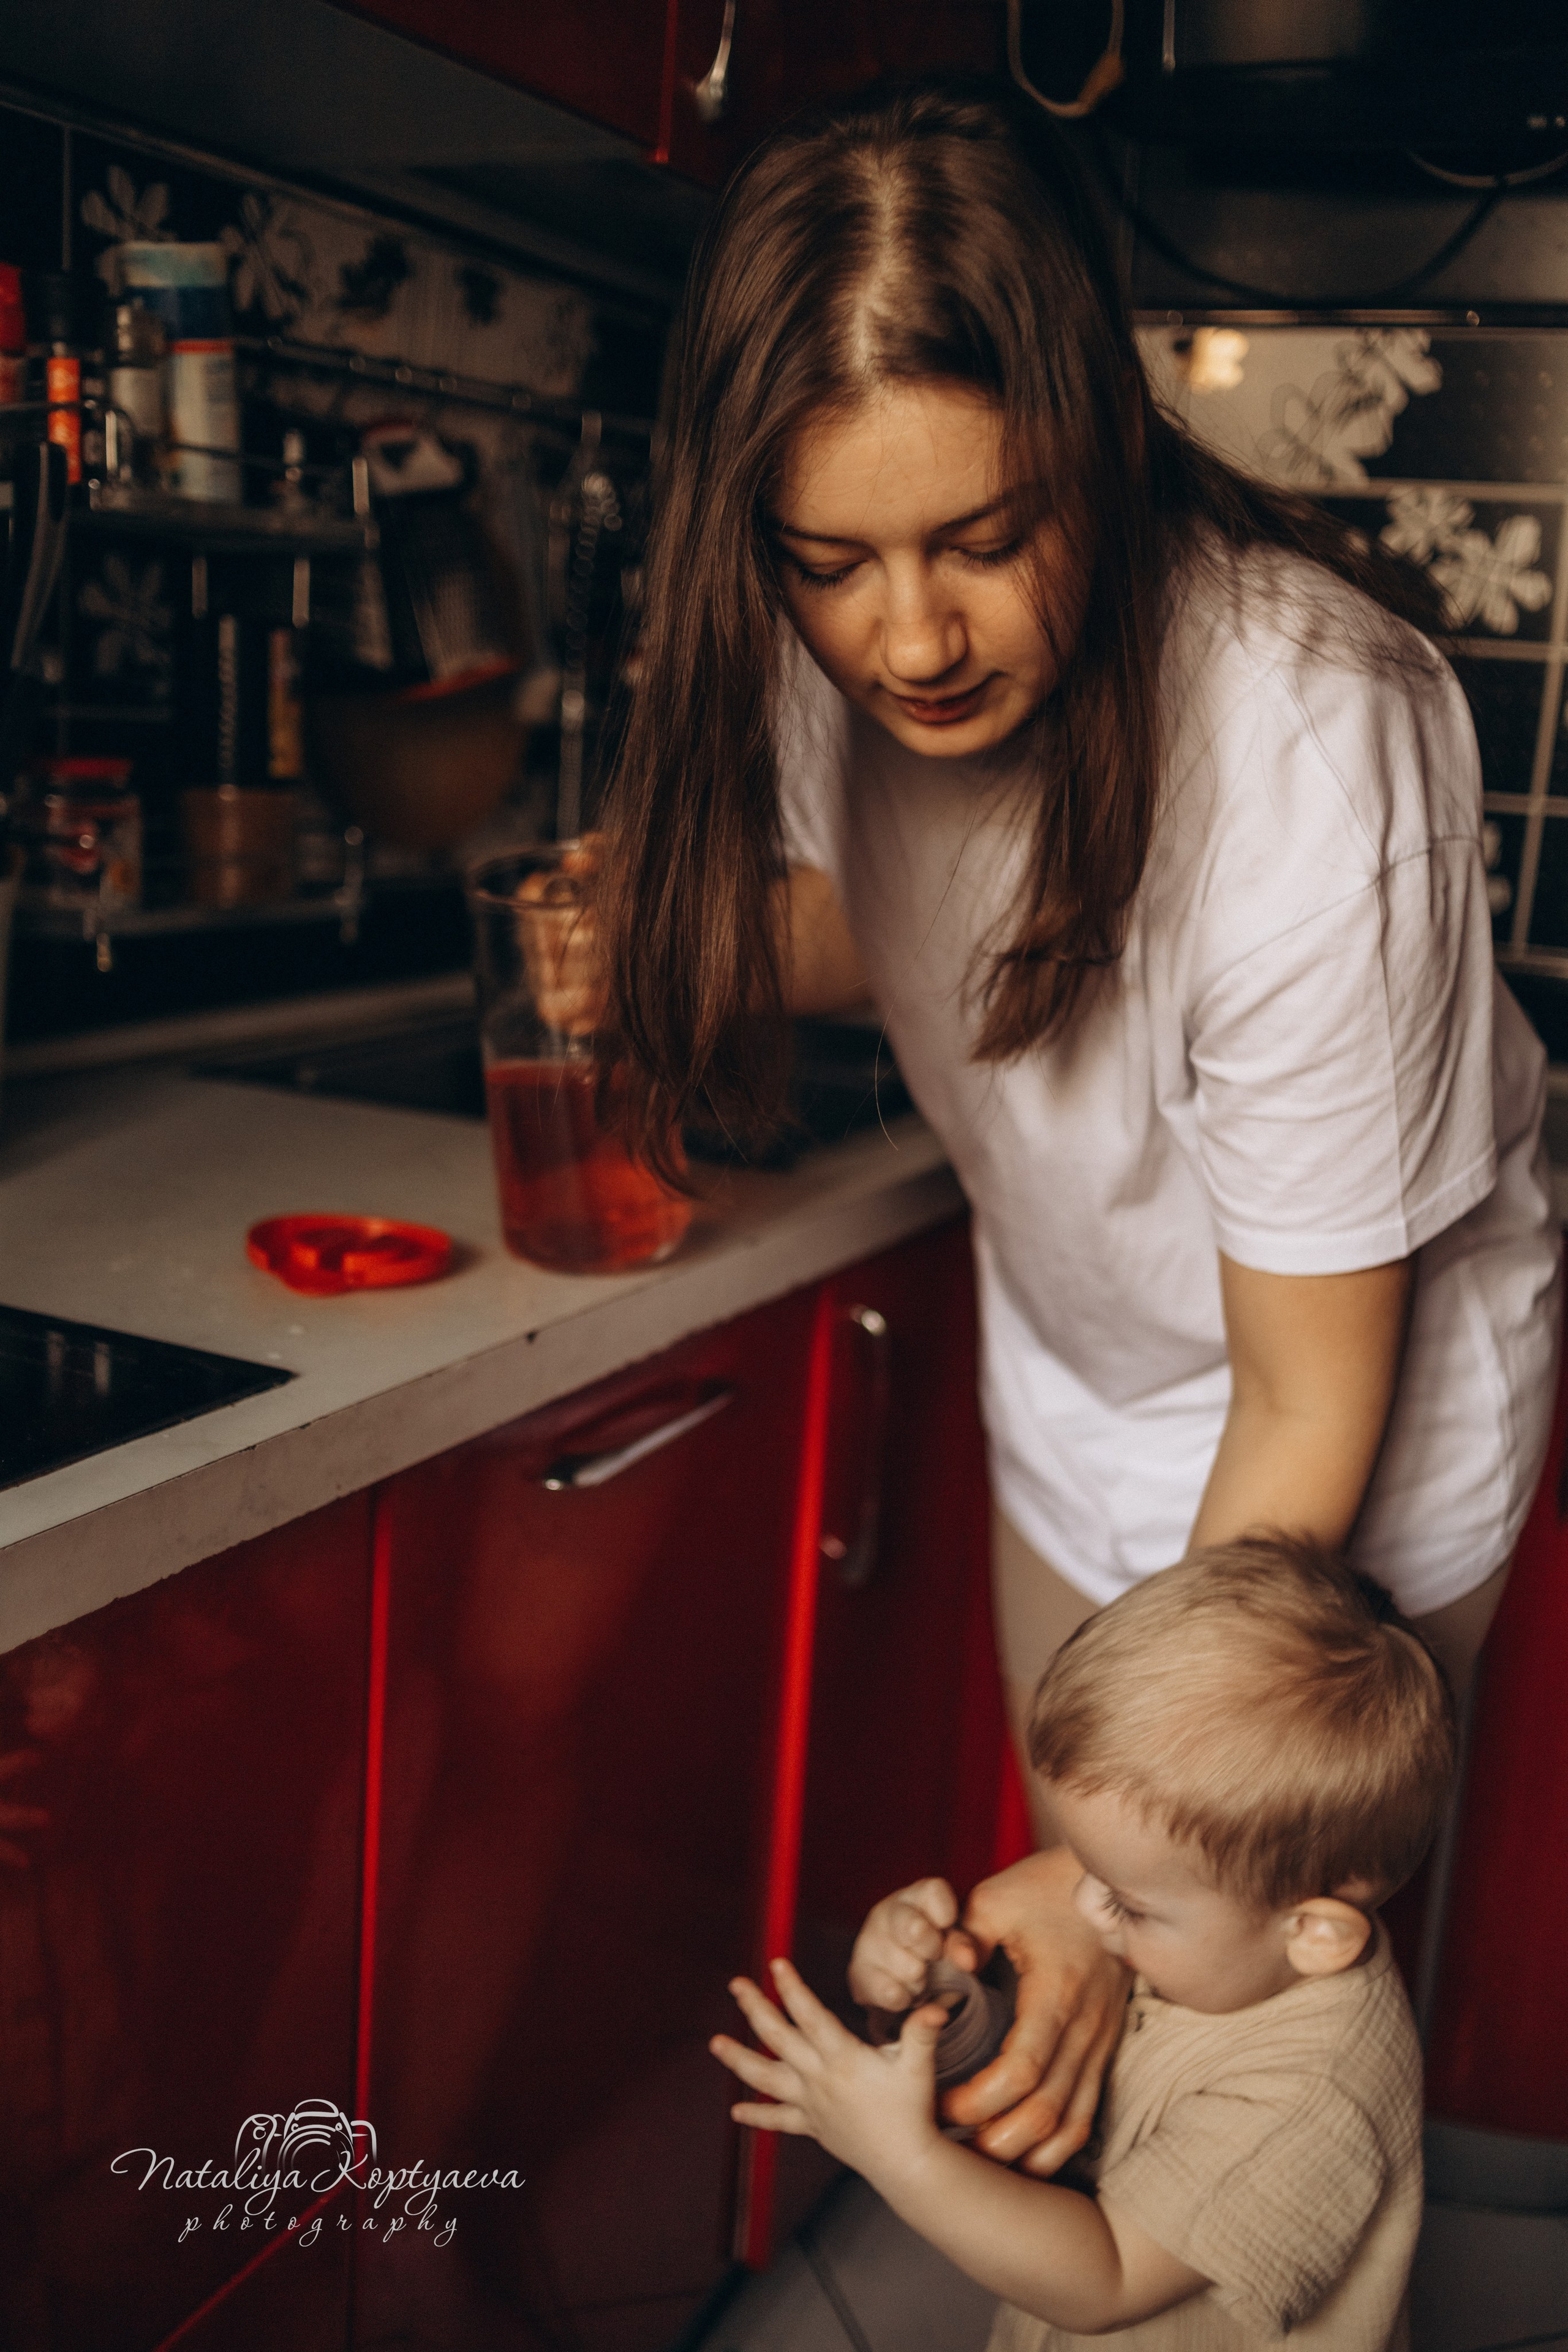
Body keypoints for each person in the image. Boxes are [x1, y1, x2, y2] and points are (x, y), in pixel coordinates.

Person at [597, 78, 1562, 2168]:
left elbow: (1307, 1394)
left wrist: (1145, 1860)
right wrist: (672, 934)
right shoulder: (838, 644)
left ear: (1100, 449)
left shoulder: (1307, 737)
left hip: (1345, 1419)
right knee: (1082, 1998)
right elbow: (905, 917)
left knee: (1259, 2076)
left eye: (984, 539)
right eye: (833, 563)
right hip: (1083, 1358)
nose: (911, 637)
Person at [711, 1534, 1457, 2348]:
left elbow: (1107, 2280)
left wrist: (901, 2157)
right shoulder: (1227, 1940)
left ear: (1313, 1933)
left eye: (1129, 1903)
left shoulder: (1312, 2096)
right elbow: (1029, 2078)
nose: (1084, 1908)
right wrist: (933, 1997)